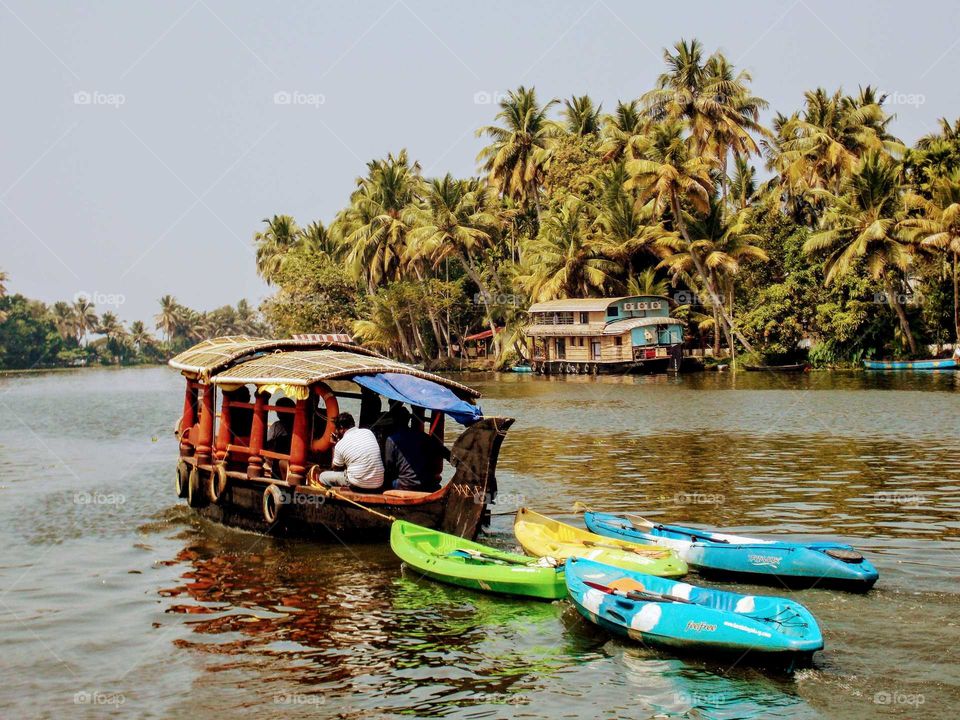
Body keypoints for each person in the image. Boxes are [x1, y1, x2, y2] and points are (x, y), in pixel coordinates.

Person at [318, 412, 384, 492]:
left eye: (337, 429)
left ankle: (332, 500)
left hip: (358, 484)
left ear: (341, 428)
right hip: (378, 483)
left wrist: (334, 446)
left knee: (322, 476)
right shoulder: (368, 432)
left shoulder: (340, 445)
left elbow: (335, 468)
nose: (336, 431)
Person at [383, 406, 431, 491]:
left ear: (393, 420)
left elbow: (389, 466)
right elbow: (440, 449)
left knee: (386, 482)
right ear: (408, 419)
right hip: (424, 483)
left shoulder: (391, 439)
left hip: (403, 485)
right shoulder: (420, 435)